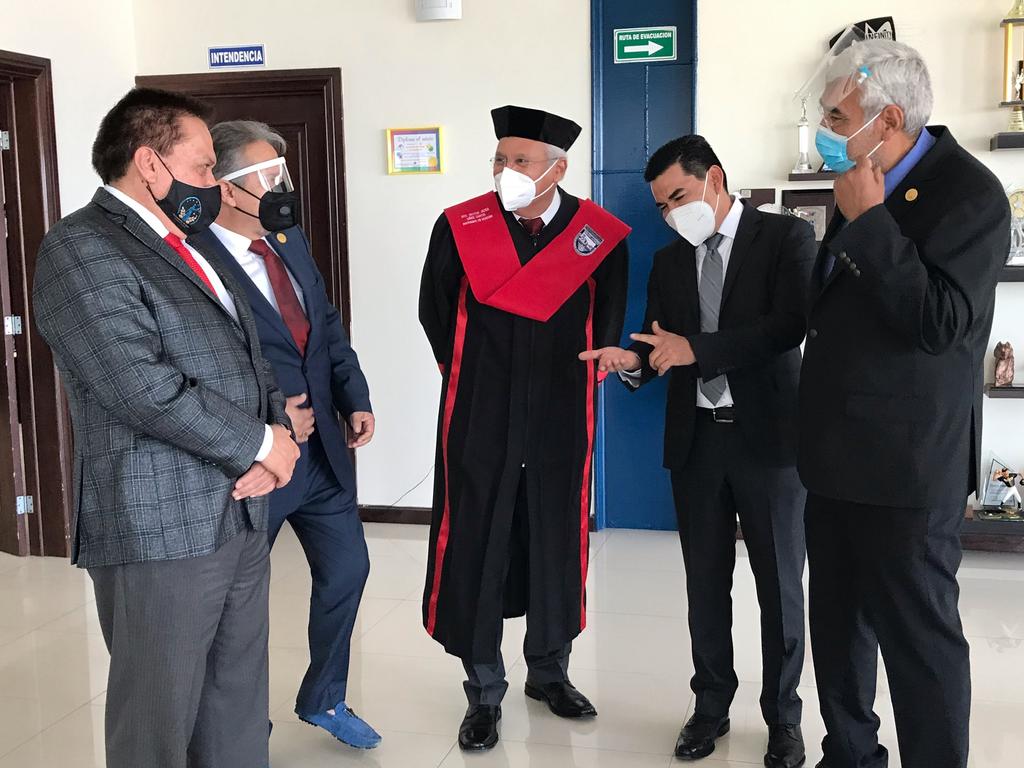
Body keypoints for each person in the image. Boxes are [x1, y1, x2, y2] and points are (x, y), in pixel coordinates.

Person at [32, 88, 300, 768]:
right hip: (159, 524)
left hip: (240, 513)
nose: (214, 183)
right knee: (158, 717)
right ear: (150, 164)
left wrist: (275, 438)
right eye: (205, 166)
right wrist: (261, 443)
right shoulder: (80, 248)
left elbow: (251, 354)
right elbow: (140, 387)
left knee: (236, 703)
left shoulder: (192, 244)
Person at [798, 35, 1011, 768]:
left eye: (836, 116)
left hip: (907, 468)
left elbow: (942, 324)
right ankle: (850, 753)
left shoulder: (971, 195)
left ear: (887, 119)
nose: (825, 129)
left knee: (920, 643)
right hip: (833, 457)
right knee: (837, 630)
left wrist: (871, 223)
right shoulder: (860, 176)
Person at [582, 135, 815, 766]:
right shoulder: (668, 261)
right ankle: (710, 705)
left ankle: (784, 717)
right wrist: (632, 361)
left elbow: (789, 326)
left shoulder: (785, 237)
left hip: (770, 441)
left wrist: (698, 350)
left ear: (714, 178)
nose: (670, 214)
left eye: (678, 196)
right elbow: (663, 345)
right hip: (698, 442)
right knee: (705, 584)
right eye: (661, 205)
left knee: (779, 588)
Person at [418, 105, 630, 751]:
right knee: (477, 536)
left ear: (557, 169)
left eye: (520, 160)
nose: (505, 170)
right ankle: (484, 690)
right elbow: (434, 312)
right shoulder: (462, 226)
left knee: (554, 535)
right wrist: (480, 376)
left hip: (561, 409)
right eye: (499, 159)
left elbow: (609, 320)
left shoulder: (596, 235)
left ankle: (550, 673)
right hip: (480, 409)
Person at [188, 120, 379, 749]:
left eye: (282, 174)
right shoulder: (191, 256)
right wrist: (268, 421)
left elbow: (325, 324)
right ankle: (241, 723)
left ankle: (324, 697)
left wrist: (354, 397)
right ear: (225, 186)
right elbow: (201, 364)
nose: (282, 188)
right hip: (259, 461)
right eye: (268, 177)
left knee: (348, 570)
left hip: (323, 453)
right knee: (239, 603)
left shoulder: (287, 238)